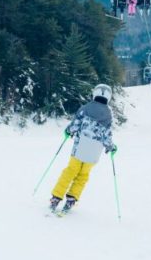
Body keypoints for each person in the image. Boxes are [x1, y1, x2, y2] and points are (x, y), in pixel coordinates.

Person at [50, 83, 117, 214]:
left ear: (95, 93)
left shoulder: (85, 108)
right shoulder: (108, 115)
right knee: (83, 175)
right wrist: (111, 147)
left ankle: (56, 197)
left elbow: (75, 124)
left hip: (80, 148)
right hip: (93, 153)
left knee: (70, 171)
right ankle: (71, 198)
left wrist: (68, 131)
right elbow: (107, 135)